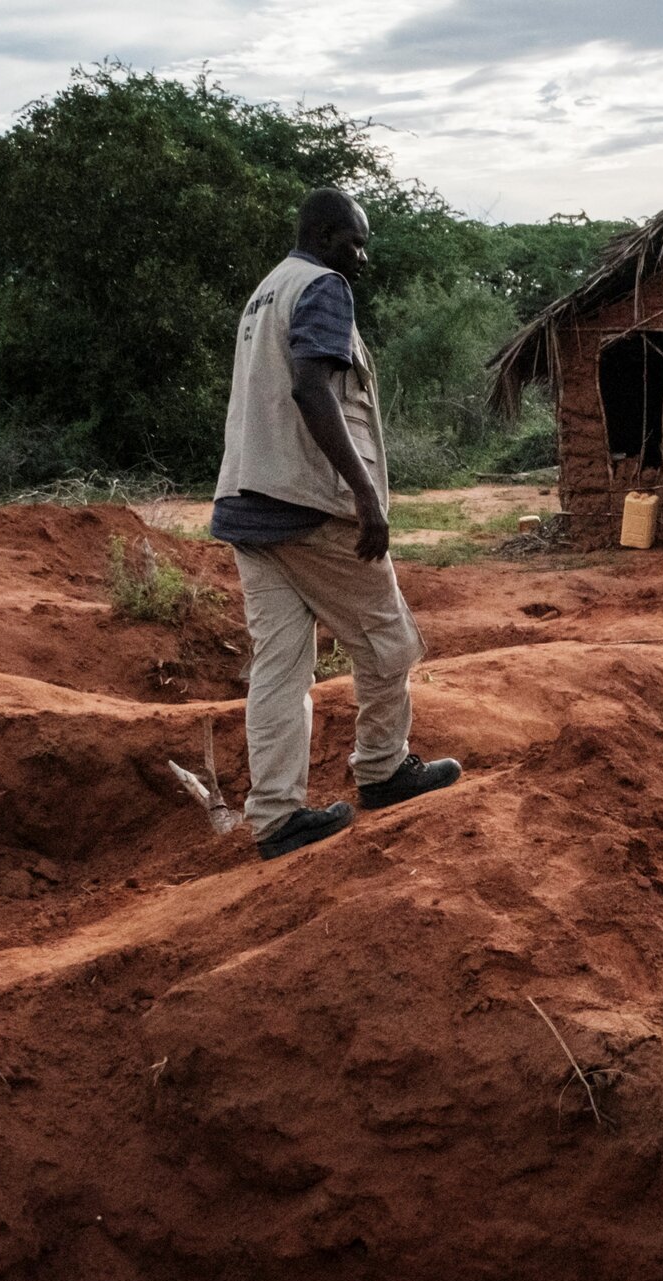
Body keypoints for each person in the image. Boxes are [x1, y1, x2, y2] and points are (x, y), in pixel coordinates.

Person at [212, 187, 462, 860]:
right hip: (306, 504)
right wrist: (364, 496)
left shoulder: (266, 291)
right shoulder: (324, 287)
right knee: (388, 641)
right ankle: (383, 768)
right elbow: (311, 386)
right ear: (324, 235)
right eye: (354, 242)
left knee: (280, 668)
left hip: (246, 502)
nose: (363, 257)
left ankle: (275, 818)